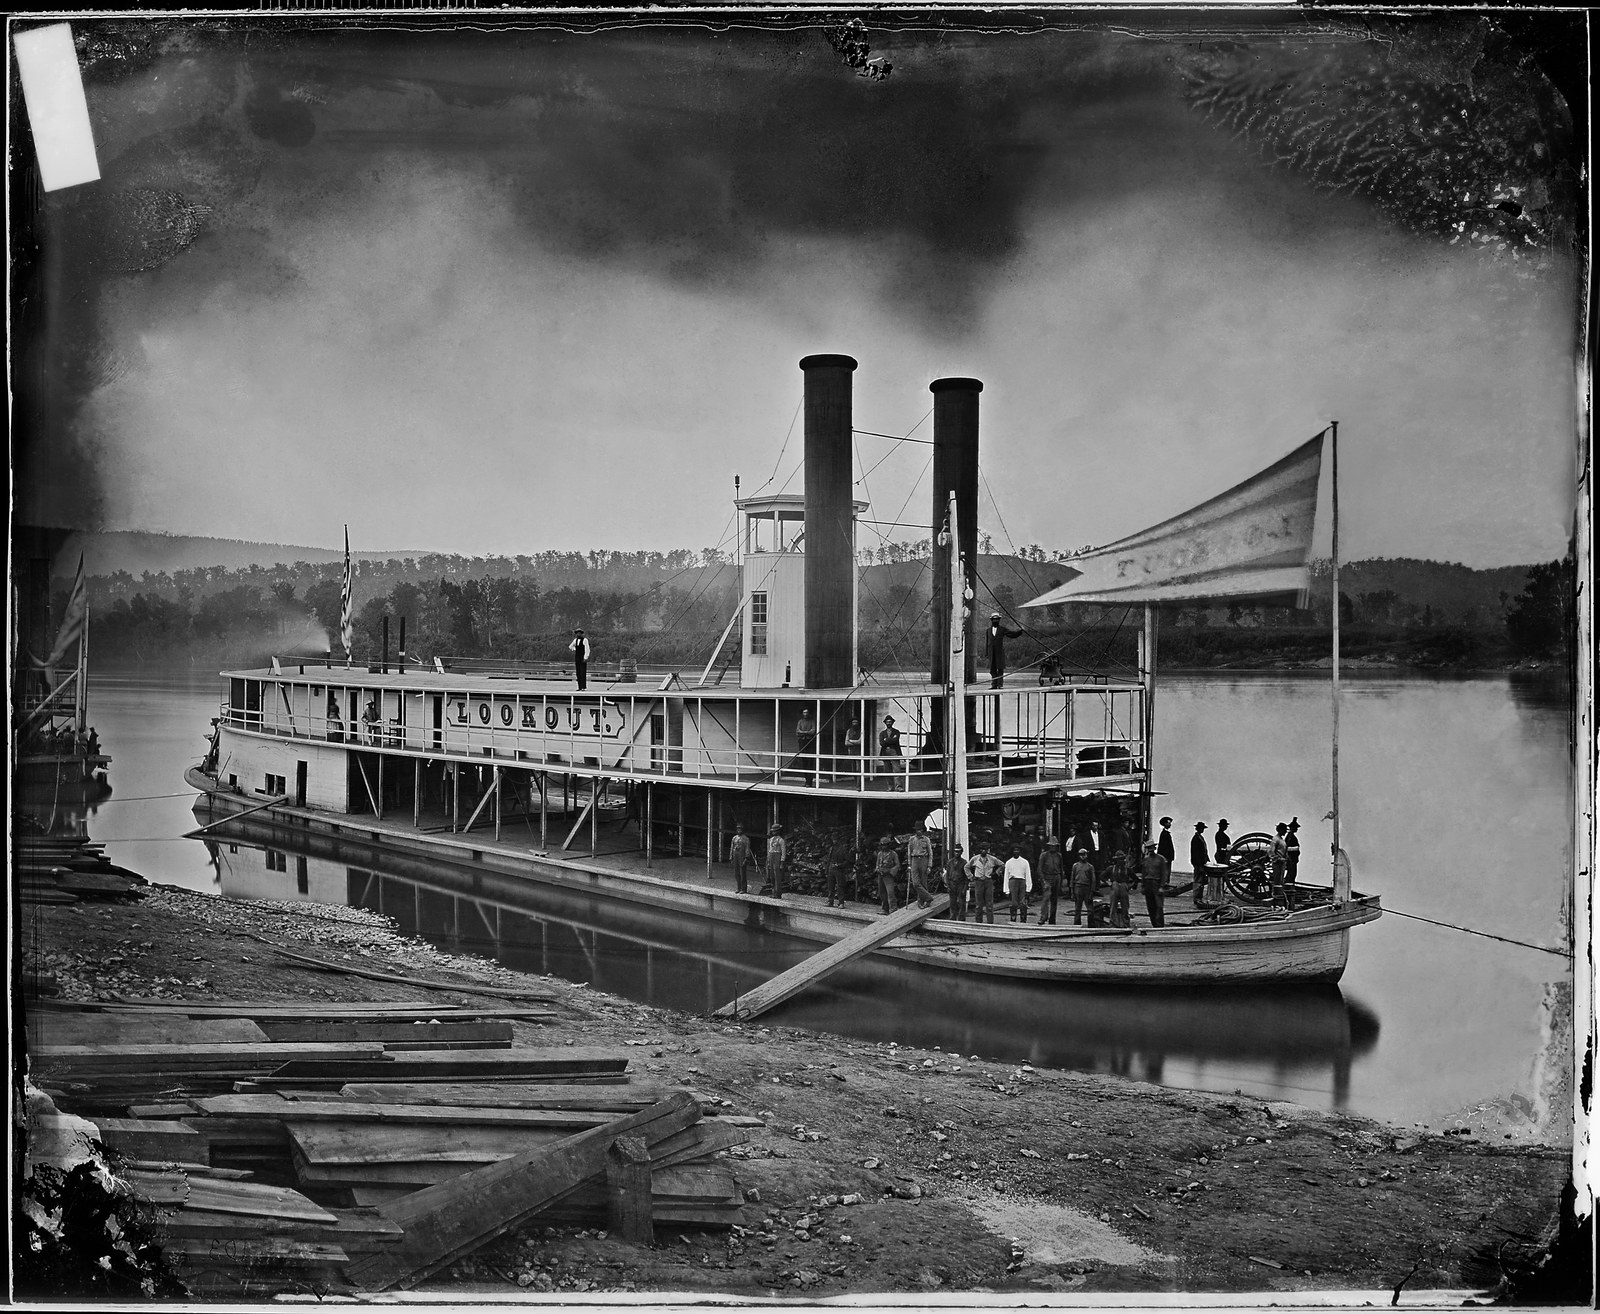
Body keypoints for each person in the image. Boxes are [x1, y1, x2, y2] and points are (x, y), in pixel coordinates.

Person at [986, 613, 1025, 689]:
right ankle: (994, 684)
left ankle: (1000, 685)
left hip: (999, 653)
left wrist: (1020, 631)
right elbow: (987, 643)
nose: (995, 621)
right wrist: (987, 653)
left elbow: (1012, 634)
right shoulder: (988, 630)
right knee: (992, 669)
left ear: (999, 620)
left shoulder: (1002, 629)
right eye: (994, 619)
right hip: (991, 653)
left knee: (1000, 668)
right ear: (991, 620)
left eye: (997, 619)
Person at [968, 842, 1001, 924]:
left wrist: (996, 873)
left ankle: (990, 922)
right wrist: (971, 876)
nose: (983, 851)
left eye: (985, 849)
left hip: (988, 882)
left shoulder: (992, 859)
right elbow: (966, 867)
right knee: (979, 904)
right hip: (978, 882)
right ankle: (978, 922)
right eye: (982, 849)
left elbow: (1002, 865)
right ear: (980, 850)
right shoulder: (975, 859)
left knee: (989, 904)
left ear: (988, 850)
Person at [1140, 841, 1169, 927]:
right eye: (1149, 848)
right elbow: (1143, 874)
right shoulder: (1145, 860)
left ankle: (1160, 925)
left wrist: (1161, 886)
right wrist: (1143, 886)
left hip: (1157, 883)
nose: (1151, 850)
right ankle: (1154, 925)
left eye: (1152, 848)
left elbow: (1164, 874)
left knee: (1159, 906)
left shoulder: (1161, 859)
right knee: (1150, 906)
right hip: (1148, 884)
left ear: (1155, 848)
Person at [1037, 838, 1065, 924]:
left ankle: (1052, 919)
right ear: (1049, 846)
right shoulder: (1044, 855)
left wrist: (1061, 881)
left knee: (1054, 899)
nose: (1053, 847)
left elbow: (1061, 869)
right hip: (1047, 878)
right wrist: (1043, 880)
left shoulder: (1059, 855)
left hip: (1057, 877)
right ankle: (1043, 917)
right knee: (1046, 898)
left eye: (1055, 846)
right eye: (1051, 846)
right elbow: (1039, 869)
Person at [905, 825, 934, 908]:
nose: (919, 831)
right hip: (914, 860)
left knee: (923, 882)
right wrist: (909, 864)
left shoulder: (926, 839)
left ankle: (921, 901)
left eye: (920, 829)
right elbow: (909, 852)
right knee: (915, 883)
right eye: (917, 829)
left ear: (923, 830)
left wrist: (929, 865)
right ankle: (928, 898)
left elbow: (930, 853)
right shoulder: (912, 839)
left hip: (924, 859)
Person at [1004, 846, 1033, 923]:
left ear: (1020, 851)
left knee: (1023, 903)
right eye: (1014, 850)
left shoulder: (1025, 862)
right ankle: (1013, 920)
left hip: (1022, 882)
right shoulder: (1009, 862)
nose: (1016, 852)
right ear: (1012, 851)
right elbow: (1006, 876)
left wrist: (1028, 888)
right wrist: (1006, 890)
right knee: (1013, 903)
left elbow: (1028, 875)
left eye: (1017, 850)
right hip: (1013, 882)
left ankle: (1023, 920)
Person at [874, 835, 901, 914]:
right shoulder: (879, 854)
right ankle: (885, 908)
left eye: (885, 845)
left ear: (888, 845)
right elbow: (877, 864)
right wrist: (878, 869)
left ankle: (893, 908)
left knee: (890, 892)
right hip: (881, 875)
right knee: (882, 892)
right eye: (882, 845)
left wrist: (890, 871)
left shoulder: (893, 854)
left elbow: (897, 865)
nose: (883, 847)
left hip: (888, 875)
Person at [1070, 848, 1097, 925]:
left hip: (1087, 888)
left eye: (1084, 855)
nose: (1083, 857)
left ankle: (1091, 924)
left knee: (1090, 909)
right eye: (1081, 855)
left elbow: (1093, 880)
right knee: (1077, 908)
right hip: (1077, 888)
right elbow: (1072, 878)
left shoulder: (1090, 867)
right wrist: (1072, 891)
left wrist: (1092, 891)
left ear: (1087, 855)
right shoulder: (1075, 866)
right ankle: (1077, 924)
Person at [825, 831, 853, 907]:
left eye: (836, 839)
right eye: (833, 839)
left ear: (839, 840)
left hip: (839, 870)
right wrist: (827, 870)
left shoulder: (843, 849)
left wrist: (839, 865)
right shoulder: (831, 848)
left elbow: (848, 861)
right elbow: (829, 859)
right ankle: (830, 901)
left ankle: (841, 902)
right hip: (831, 868)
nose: (834, 841)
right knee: (830, 886)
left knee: (840, 886)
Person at [943, 842, 969, 921]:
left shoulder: (964, 863)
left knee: (961, 902)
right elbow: (947, 875)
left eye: (958, 851)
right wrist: (947, 884)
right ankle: (952, 917)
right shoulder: (950, 862)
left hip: (960, 883)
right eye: (955, 851)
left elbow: (966, 877)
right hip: (952, 883)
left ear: (961, 852)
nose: (956, 853)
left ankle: (961, 918)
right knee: (952, 902)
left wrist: (965, 887)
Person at [1107, 850, 1133, 928]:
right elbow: (1102, 876)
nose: (1121, 861)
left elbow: (1135, 879)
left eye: (1122, 859)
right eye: (1119, 859)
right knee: (1112, 907)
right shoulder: (1111, 868)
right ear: (1116, 860)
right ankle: (1112, 923)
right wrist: (1109, 883)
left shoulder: (1127, 869)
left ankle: (1126, 923)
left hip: (1123, 887)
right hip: (1114, 887)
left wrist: (1129, 886)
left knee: (1125, 907)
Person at [1189, 821, 1211, 908]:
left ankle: (1199, 897)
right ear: (1199, 829)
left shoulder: (1199, 837)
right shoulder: (1196, 839)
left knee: (1200, 881)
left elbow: (1204, 850)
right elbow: (1195, 853)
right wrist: (1199, 865)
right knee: (1198, 880)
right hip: (1198, 863)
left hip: (1201, 863)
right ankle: (1196, 898)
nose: (1203, 830)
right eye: (1202, 828)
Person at [765, 823, 787, 899]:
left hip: (777, 856)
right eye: (773, 831)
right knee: (772, 876)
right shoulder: (771, 839)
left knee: (777, 875)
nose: (774, 833)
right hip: (771, 856)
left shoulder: (781, 840)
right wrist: (768, 860)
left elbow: (783, 851)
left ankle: (778, 893)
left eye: (775, 831)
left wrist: (782, 862)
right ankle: (773, 892)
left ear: (778, 831)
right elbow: (769, 850)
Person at [877, 715, 902, 781]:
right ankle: (890, 787)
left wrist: (886, 740)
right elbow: (881, 743)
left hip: (894, 751)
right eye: (887, 722)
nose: (889, 723)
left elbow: (895, 740)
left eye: (890, 722)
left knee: (897, 770)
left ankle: (899, 787)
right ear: (885, 723)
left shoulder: (896, 732)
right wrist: (890, 739)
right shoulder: (882, 733)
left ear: (892, 723)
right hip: (885, 752)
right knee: (887, 771)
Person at [795, 706, 818, 781]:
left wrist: (804, 732)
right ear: (802, 713)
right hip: (802, 742)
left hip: (810, 742)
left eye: (807, 712)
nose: (805, 714)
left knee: (810, 761)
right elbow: (798, 731)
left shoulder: (812, 721)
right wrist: (807, 732)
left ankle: (810, 780)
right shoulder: (800, 721)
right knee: (803, 761)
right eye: (804, 712)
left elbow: (813, 731)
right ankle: (806, 780)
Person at [1270, 822, 1290, 906]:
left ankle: (1280, 898)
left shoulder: (1281, 839)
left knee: (1280, 881)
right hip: (1277, 863)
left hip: (1282, 863)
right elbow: (1271, 852)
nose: (1285, 832)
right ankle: (1276, 899)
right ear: (1280, 830)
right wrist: (1278, 859)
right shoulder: (1275, 839)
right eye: (1284, 830)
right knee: (1277, 881)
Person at [1286, 817, 1302, 886]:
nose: (1297, 829)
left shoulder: (1291, 836)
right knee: (1291, 873)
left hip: (1293, 859)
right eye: (1295, 827)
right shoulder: (1290, 836)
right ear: (1292, 828)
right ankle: (1289, 886)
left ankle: (1289, 885)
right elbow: (1286, 848)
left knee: (1292, 873)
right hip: (1291, 859)